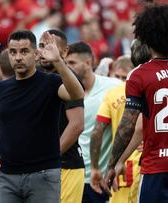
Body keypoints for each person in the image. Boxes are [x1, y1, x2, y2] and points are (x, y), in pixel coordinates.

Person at [103, 4, 168, 203]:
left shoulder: (140, 74)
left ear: (146, 37)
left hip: (156, 167)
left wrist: (113, 163)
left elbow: (128, 125)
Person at [0, 30, 84, 203]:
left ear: (36, 54)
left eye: (24, 51)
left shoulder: (51, 82)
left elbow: (77, 94)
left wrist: (58, 61)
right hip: (7, 177)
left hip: (44, 176)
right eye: (13, 52)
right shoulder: (1, 90)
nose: (18, 57)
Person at [64, 41, 121, 203]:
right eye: (66, 63)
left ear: (88, 63)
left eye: (72, 63)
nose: (67, 67)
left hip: (98, 179)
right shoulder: (63, 92)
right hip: (70, 175)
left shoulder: (113, 88)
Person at [38, 29, 85, 203]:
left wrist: (50, 157)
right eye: (41, 46)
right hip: (44, 168)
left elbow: (77, 125)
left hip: (66, 167)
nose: (44, 51)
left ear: (64, 52)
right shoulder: (39, 78)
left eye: (51, 46)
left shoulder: (69, 80)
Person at [89, 55, 141, 203]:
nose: (120, 80)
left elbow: (97, 131)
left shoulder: (112, 94)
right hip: (137, 165)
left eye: (124, 77)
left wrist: (95, 167)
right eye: (117, 76)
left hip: (122, 164)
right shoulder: (147, 90)